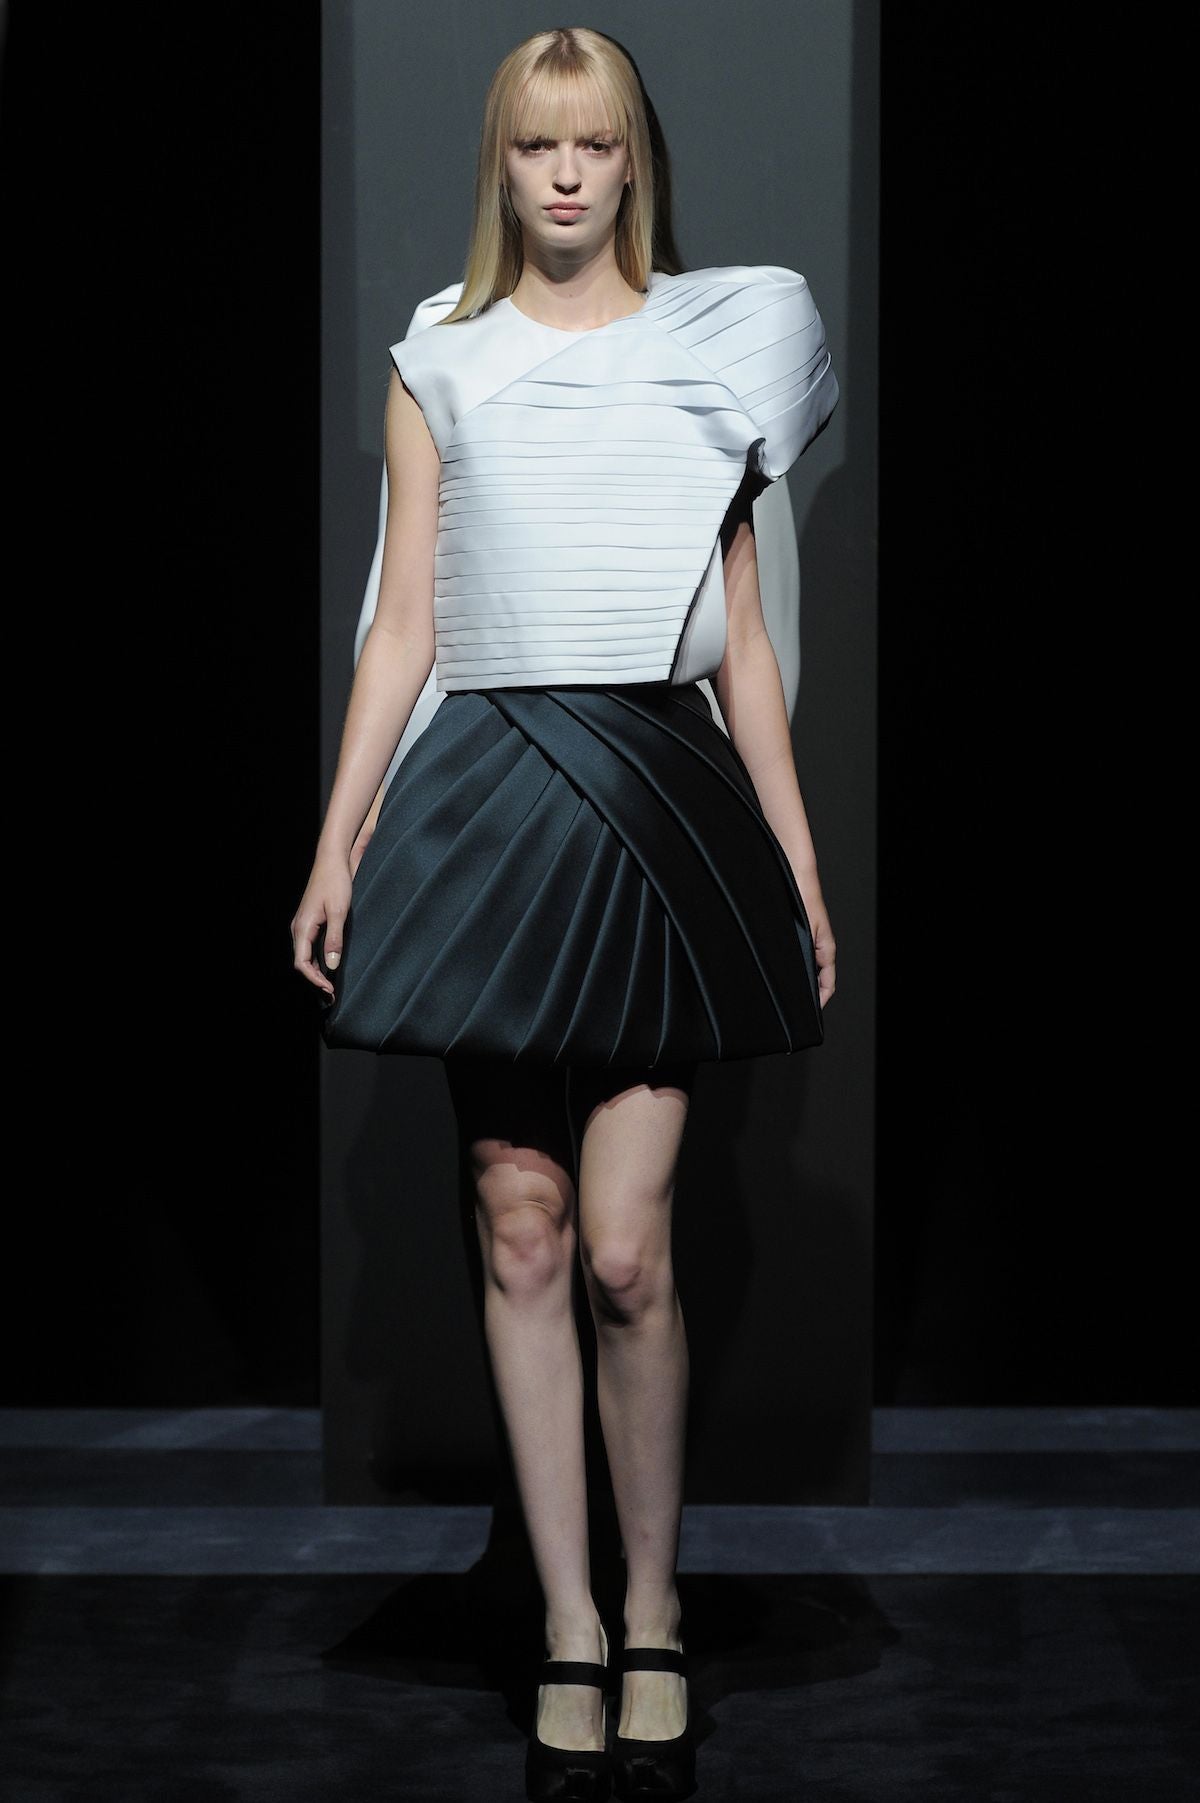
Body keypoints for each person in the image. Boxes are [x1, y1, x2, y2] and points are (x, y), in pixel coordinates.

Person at [292, 26, 839, 1803]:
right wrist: (338, 838)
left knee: (622, 1248)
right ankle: (573, 1624)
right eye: (538, 146)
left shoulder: (720, 347)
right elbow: (403, 623)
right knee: (519, 1223)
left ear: (633, 161)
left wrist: (797, 859)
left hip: (662, 801)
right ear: (502, 163)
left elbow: (744, 644)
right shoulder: (440, 362)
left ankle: (658, 1603)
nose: (567, 176)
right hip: (487, 796)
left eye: (594, 144)